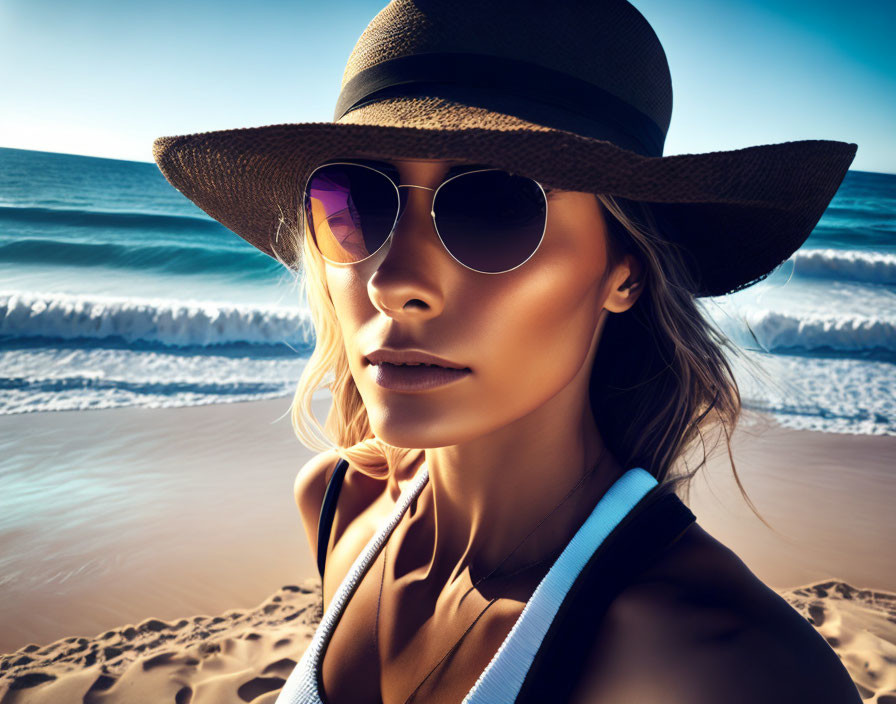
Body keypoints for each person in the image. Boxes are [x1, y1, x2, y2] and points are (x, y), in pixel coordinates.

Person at [152, 1, 863, 702]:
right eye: (358, 202)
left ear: (626, 272)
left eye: (493, 209)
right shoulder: (337, 503)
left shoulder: (725, 668)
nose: (395, 281)